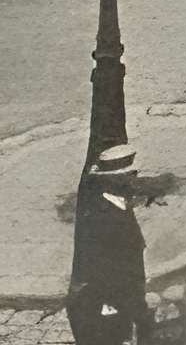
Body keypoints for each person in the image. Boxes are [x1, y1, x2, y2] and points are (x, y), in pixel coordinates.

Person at [66, 142, 151, 343]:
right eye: (129, 175)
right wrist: (108, 302)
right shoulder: (100, 214)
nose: (134, 179)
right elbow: (97, 262)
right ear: (113, 179)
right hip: (113, 295)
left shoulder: (118, 201)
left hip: (127, 289)